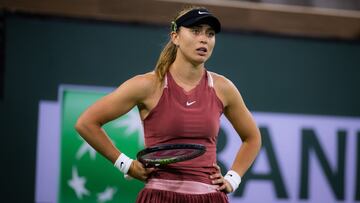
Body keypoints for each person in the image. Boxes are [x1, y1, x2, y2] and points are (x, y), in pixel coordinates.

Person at [75, 6, 261, 203]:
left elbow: (252, 138)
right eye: (195, 31)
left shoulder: (223, 88)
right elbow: (86, 123)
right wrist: (126, 165)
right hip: (159, 196)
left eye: (210, 33)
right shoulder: (147, 85)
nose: (204, 39)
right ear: (175, 37)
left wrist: (233, 178)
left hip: (211, 197)